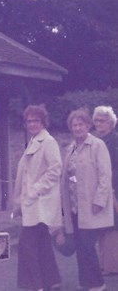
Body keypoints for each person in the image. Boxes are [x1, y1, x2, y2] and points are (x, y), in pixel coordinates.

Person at [61, 108, 113, 291]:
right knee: (81, 247)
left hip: (91, 206)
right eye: (74, 125)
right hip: (74, 207)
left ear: (87, 126)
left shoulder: (97, 145)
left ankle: (98, 283)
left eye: (80, 124)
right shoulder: (70, 148)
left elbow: (105, 175)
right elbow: (66, 177)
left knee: (88, 247)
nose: (77, 128)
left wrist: (99, 201)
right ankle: (85, 282)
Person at [13, 104, 62, 291]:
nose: (32, 124)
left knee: (27, 246)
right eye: (29, 121)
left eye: (36, 120)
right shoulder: (34, 141)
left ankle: (36, 285)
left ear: (43, 122)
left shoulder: (48, 142)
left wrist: (35, 190)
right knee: (41, 244)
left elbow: (55, 169)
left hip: (40, 202)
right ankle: (51, 281)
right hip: (33, 203)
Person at [93, 106, 118, 275]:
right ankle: (104, 264)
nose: (99, 124)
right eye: (96, 120)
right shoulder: (98, 141)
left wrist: (112, 189)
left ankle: (111, 266)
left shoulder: (114, 141)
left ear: (111, 122)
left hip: (113, 189)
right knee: (104, 226)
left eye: (102, 120)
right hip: (101, 189)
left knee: (112, 227)